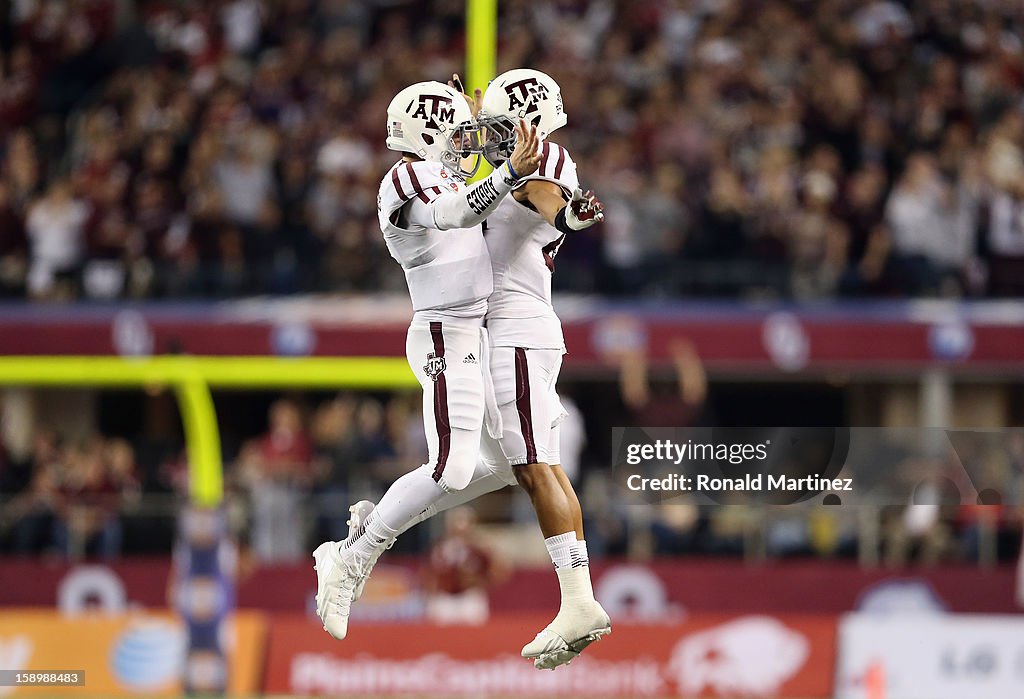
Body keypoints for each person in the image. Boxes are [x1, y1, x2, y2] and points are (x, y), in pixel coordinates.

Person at [347, 69, 610, 671]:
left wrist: (571, 214)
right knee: (483, 467)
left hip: (515, 326)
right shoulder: (500, 159)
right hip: (507, 327)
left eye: (496, 128)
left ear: (527, 125)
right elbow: (488, 180)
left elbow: (544, 196)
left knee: (530, 465)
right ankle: (383, 521)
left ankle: (577, 597)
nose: (482, 138)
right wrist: (465, 115)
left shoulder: (539, 157)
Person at [312, 80, 542, 642]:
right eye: (457, 128)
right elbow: (455, 213)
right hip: (445, 331)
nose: (468, 140)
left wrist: (479, 109)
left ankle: (372, 527)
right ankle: (354, 554)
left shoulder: (453, 169)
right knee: (452, 468)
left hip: (478, 330)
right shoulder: (407, 176)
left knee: (516, 461)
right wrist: (507, 174)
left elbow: (480, 179)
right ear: (428, 130)